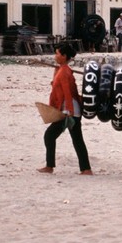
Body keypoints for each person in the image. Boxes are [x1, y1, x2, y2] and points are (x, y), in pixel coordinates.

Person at [38, 43, 92, 175]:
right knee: (77, 139)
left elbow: (68, 93)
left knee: (49, 136)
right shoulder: (63, 70)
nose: (55, 56)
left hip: (69, 111)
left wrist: (68, 112)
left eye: (57, 53)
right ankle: (86, 169)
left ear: (64, 56)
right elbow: (59, 88)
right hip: (71, 110)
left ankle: (50, 166)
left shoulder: (64, 72)